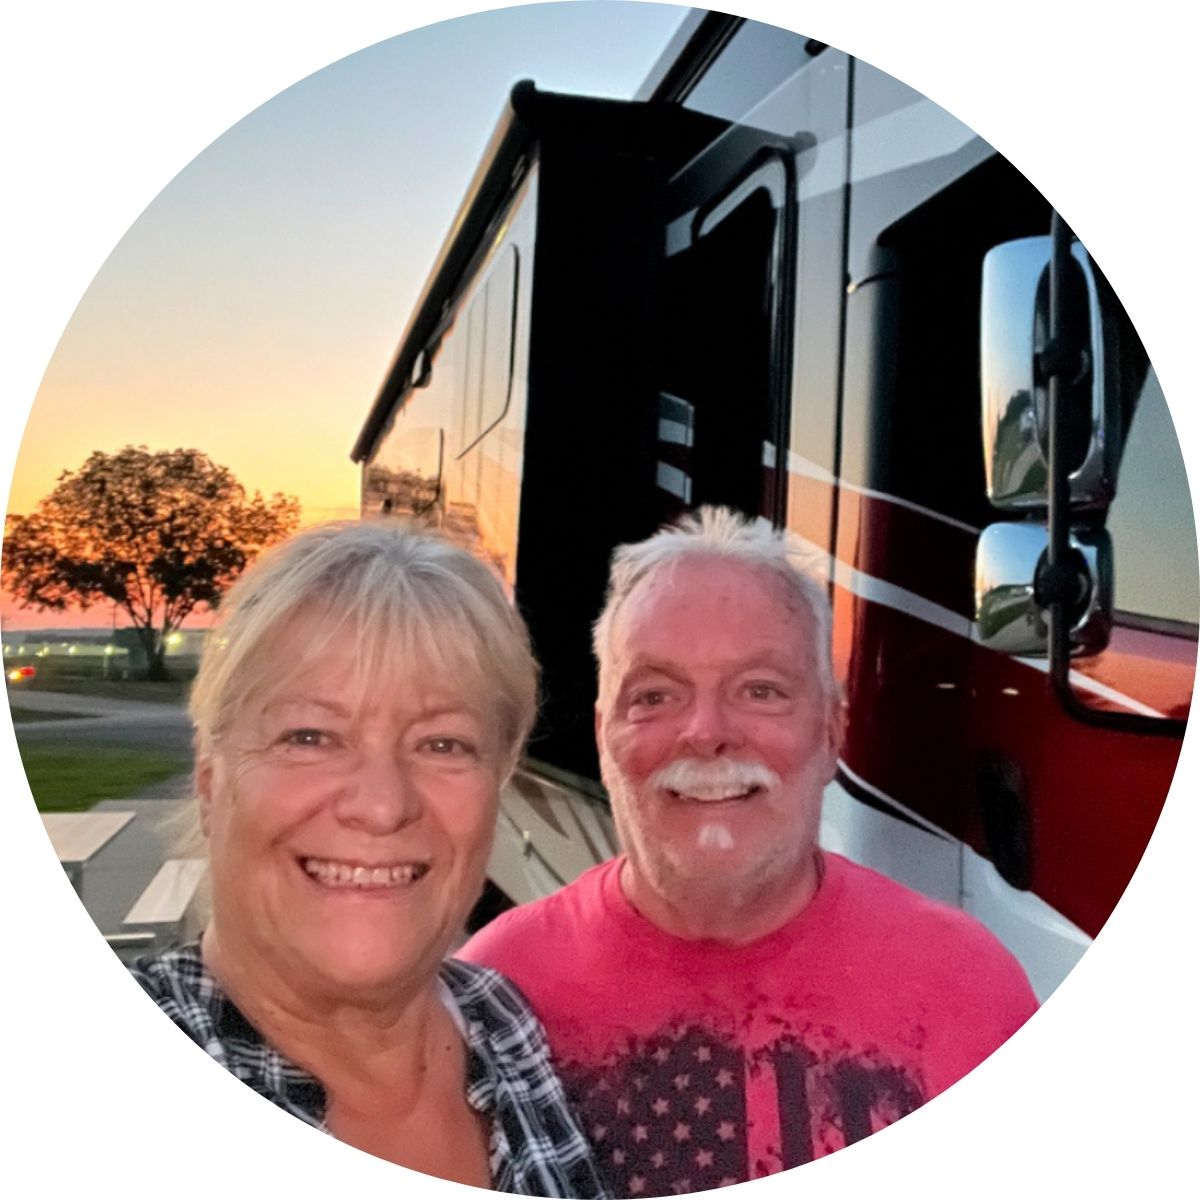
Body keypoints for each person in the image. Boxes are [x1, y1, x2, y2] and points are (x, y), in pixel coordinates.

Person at [461, 506, 1038, 1194]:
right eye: (655, 694)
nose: (705, 731)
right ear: (602, 734)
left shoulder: (970, 991)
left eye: (760, 690)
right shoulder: (492, 1001)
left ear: (831, 732)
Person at [129, 520, 608, 1197]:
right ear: (211, 780)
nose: (382, 806)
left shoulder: (503, 1023)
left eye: (443, 744)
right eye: (311, 736)